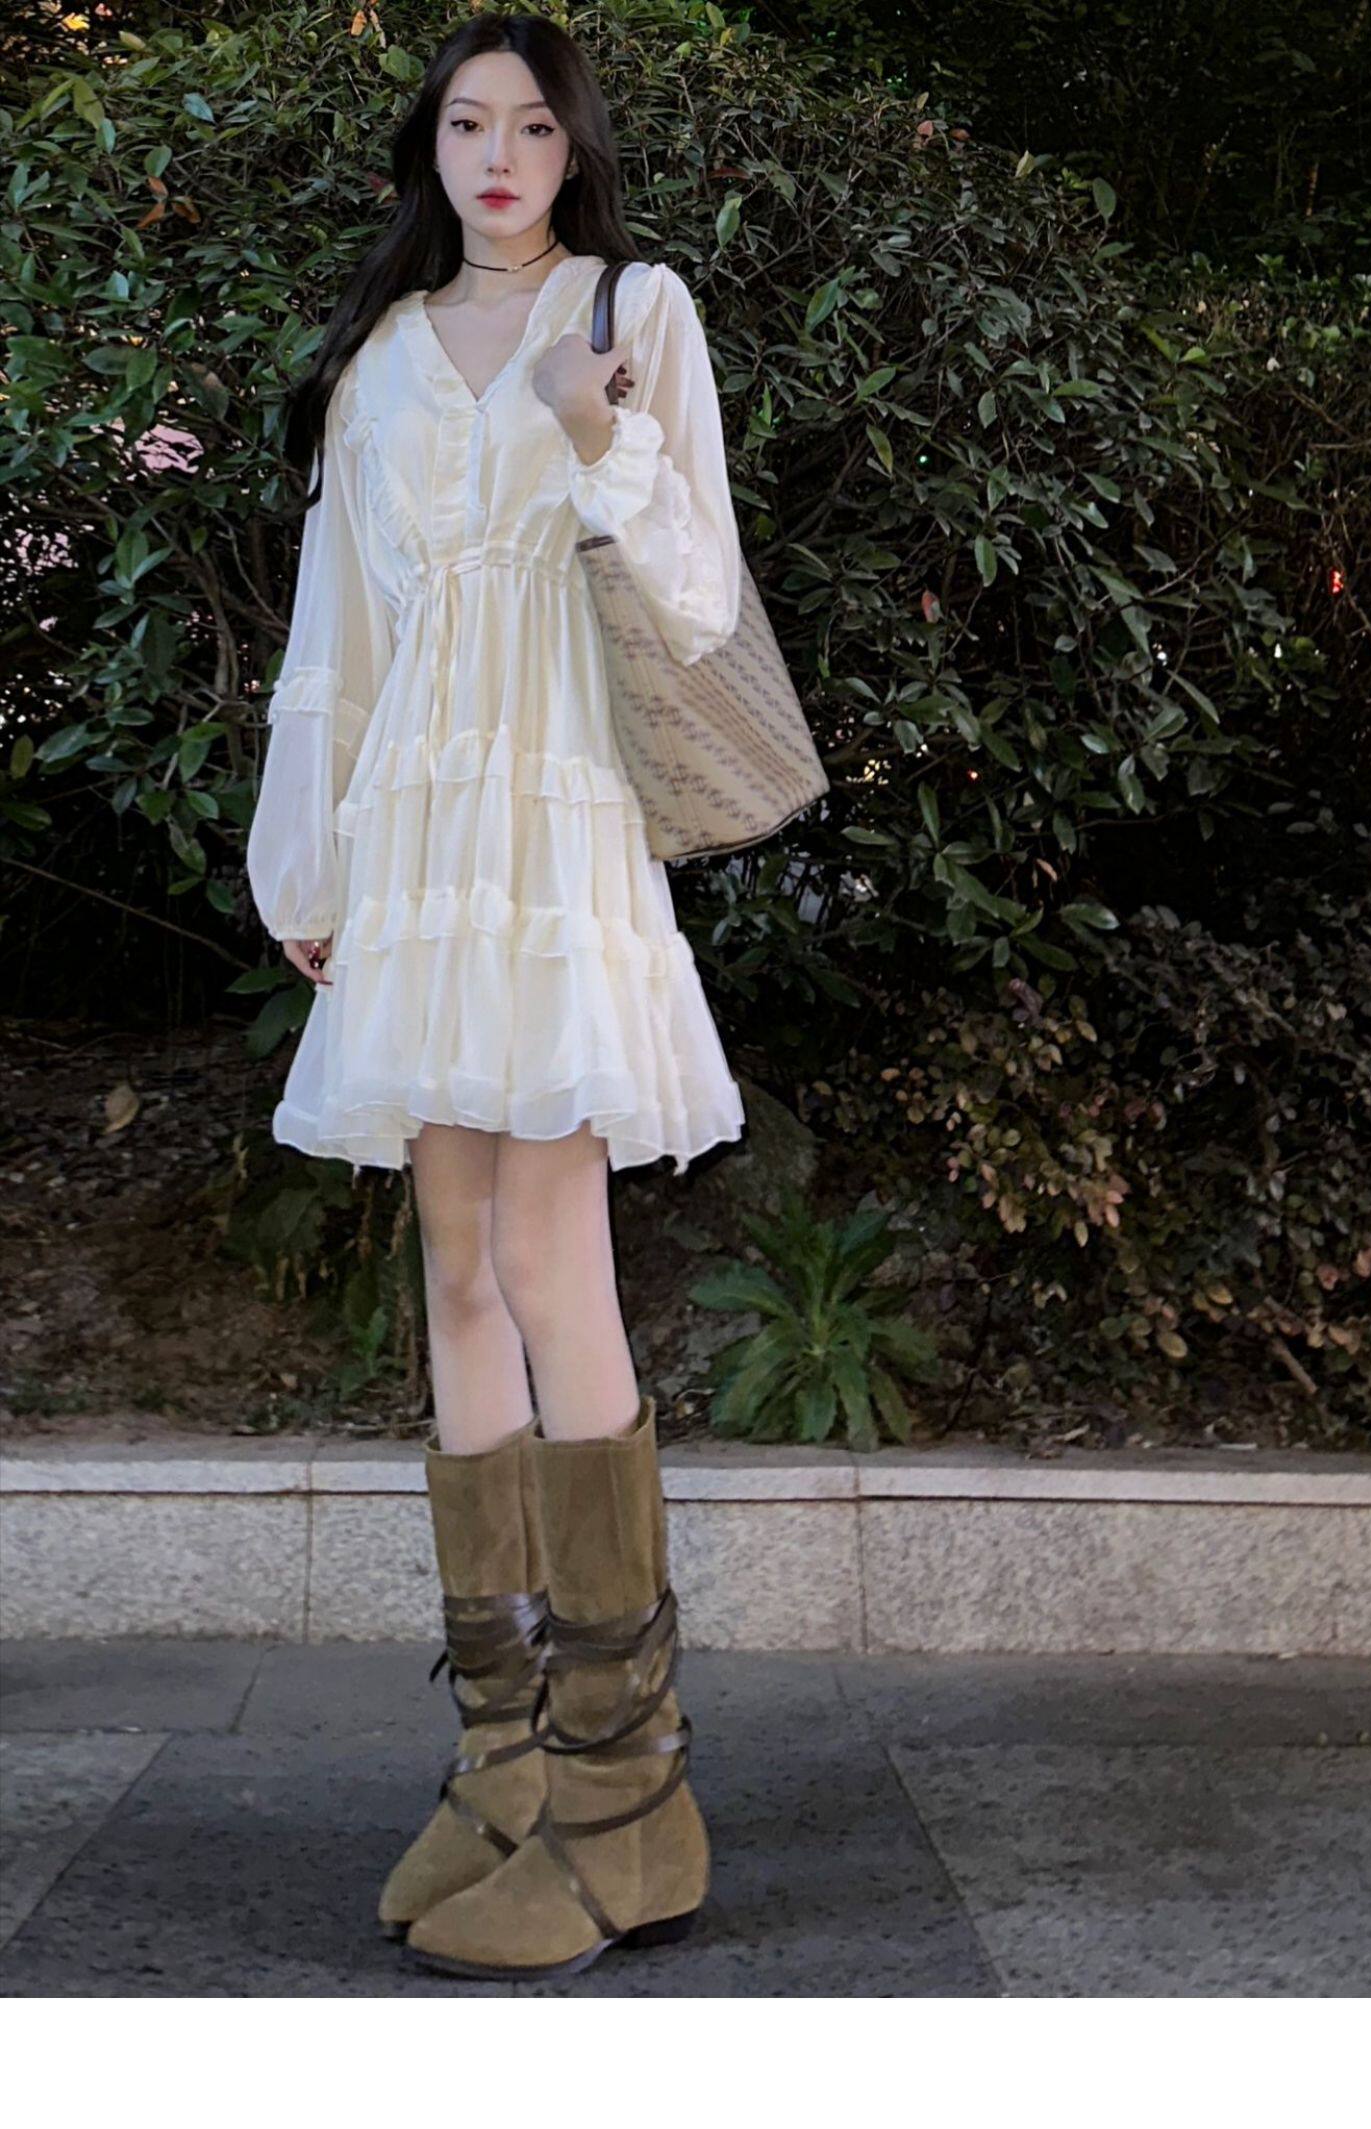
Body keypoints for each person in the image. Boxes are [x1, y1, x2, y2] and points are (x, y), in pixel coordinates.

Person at [244, 12, 745, 1981]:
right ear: (431, 146)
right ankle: (505, 1762)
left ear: (574, 145)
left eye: (534, 122)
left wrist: (592, 425)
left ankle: (629, 1795)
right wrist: (312, 861)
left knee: (549, 1256)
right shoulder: (380, 357)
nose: (500, 152)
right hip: (423, 836)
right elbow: (340, 625)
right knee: (455, 1264)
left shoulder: (633, 313)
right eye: (468, 121)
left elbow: (699, 598)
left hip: (558, 821)